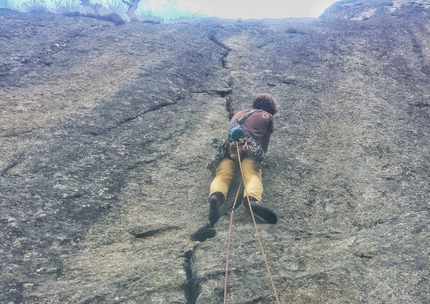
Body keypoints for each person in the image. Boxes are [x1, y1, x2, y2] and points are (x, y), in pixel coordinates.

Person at [208, 93, 279, 226]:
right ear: (271, 108)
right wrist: (260, 156)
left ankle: (216, 196)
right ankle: (252, 200)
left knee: (223, 175)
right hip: (249, 150)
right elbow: (264, 144)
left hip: (229, 150)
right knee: (252, 175)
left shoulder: (239, 114)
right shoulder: (267, 116)